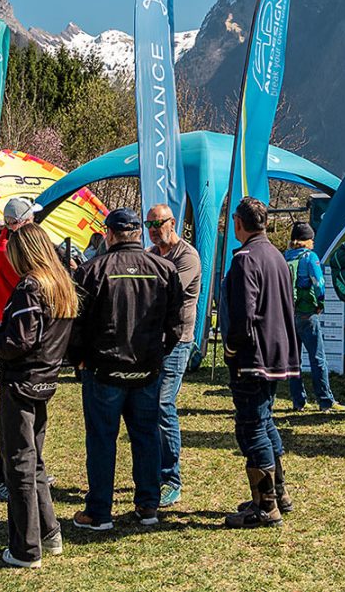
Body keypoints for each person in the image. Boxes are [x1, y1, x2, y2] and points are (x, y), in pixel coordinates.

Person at [69, 208, 185, 532]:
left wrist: (76, 358)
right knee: (146, 436)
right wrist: (160, 353)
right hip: (145, 370)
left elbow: (74, 322)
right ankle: (148, 506)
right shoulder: (164, 269)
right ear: (138, 233)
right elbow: (177, 322)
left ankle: (100, 512)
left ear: (109, 234)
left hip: (105, 371)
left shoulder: (92, 270)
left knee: (102, 440)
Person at [0, 221, 78, 568]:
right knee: (34, 460)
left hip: (22, 383)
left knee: (18, 465)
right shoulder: (60, 285)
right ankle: (49, 532)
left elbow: (18, 342)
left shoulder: (31, 286)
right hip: (45, 380)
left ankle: (26, 549)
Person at [218, 197, 301, 528]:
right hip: (277, 352)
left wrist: (232, 349)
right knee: (264, 422)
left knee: (251, 427)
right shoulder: (277, 255)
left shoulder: (245, 259)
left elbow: (243, 314)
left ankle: (266, 506)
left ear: (238, 222)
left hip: (253, 356)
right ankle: (277, 493)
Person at [0, 198, 43, 501]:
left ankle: (19, 470)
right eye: (30, 220)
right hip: (10, 332)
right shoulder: (8, 250)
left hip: (8, 329)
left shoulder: (3, 246)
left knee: (18, 412)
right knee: (13, 414)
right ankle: (4, 474)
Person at [146, 202, 203, 506]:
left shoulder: (187, 256)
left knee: (163, 405)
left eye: (159, 224)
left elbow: (165, 293)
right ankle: (155, 471)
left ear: (173, 222)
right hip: (153, 341)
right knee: (150, 407)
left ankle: (171, 477)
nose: (154, 231)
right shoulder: (152, 254)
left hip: (178, 341)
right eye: (149, 225)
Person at [285, 221, 345, 413]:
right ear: (308, 240)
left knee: (293, 360)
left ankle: (298, 401)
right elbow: (319, 283)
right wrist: (320, 304)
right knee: (317, 357)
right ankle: (325, 400)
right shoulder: (310, 257)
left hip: (288, 313)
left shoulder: (284, 257)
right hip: (306, 313)